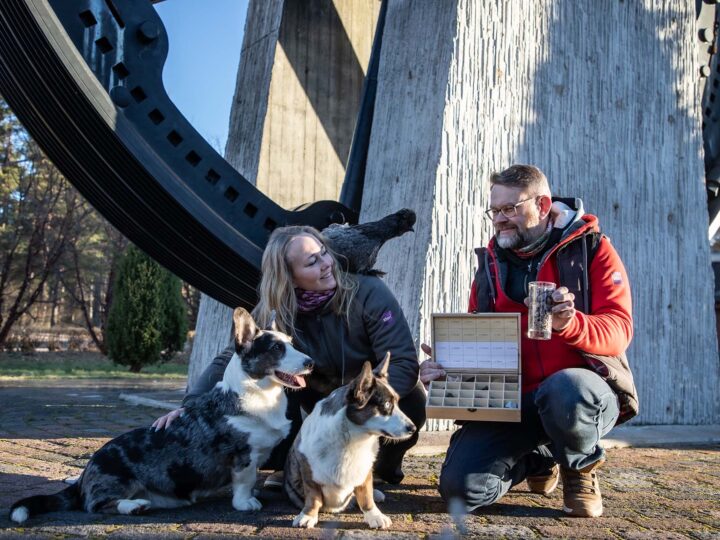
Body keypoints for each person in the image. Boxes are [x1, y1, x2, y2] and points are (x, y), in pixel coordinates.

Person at [420, 164, 636, 518]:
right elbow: (482, 342)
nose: (499, 219)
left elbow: (619, 329)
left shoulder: (592, 248)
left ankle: (578, 467)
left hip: (579, 396)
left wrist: (571, 324)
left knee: (564, 387)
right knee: (460, 491)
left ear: (543, 204)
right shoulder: (490, 263)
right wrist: (448, 367)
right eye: (494, 211)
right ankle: (541, 460)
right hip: (511, 401)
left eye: (510, 209)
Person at [154, 225, 426, 485]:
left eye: (324, 253)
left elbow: (401, 360)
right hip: (316, 397)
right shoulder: (274, 309)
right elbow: (233, 359)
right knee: (272, 381)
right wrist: (191, 406)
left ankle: (381, 466)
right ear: (289, 277)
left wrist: (348, 408)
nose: (326, 264)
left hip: (365, 398)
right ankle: (291, 465)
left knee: (411, 400)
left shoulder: (369, 292)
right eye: (311, 262)